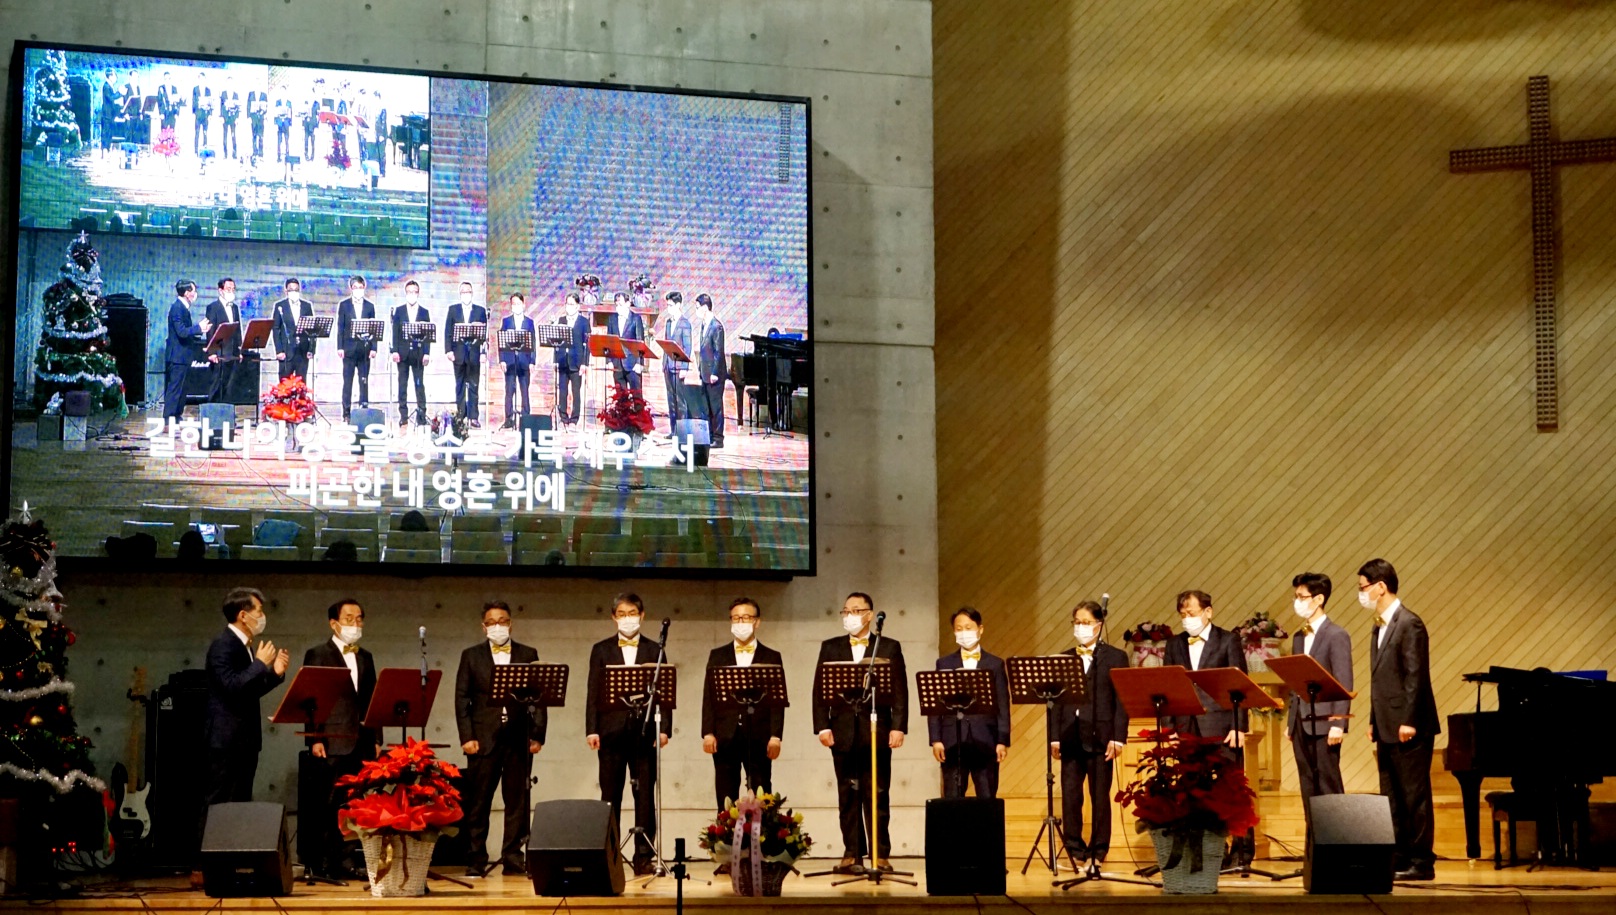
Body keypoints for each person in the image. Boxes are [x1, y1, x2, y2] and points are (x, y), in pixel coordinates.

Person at [812, 592, 908, 874]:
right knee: (848, 794)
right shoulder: (831, 647)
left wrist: (898, 726)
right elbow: (819, 691)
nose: (849, 616)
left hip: (877, 729)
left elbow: (900, 691)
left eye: (855, 610)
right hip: (841, 730)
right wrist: (823, 726)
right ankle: (852, 852)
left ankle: (881, 854)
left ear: (869, 615)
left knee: (877, 792)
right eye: (846, 611)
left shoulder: (888, 647)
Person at [1361, 558, 1439, 881]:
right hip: (1385, 724)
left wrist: (1409, 720)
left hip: (1409, 725)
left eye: (1363, 587)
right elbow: (1379, 680)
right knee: (1391, 795)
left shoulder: (1410, 623)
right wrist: (1373, 719)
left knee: (1413, 795)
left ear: (1381, 586)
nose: (1361, 593)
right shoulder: (1378, 626)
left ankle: (1422, 861)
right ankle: (1399, 855)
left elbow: (1415, 676)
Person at [454, 600, 544, 877]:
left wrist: (537, 734)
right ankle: (476, 859)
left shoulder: (528, 654)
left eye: (502, 621)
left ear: (511, 624)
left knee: (517, 801)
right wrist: (467, 736)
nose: (498, 626)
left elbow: (539, 699)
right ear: (484, 627)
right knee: (479, 802)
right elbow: (462, 698)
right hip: (483, 738)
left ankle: (513, 858)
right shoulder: (471, 656)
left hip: (519, 736)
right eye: (492, 622)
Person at [1164, 589, 1254, 866]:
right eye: (1182, 615)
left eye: (1191, 613)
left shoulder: (1228, 640)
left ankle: (1241, 853)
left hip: (1222, 727)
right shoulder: (1174, 644)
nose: (1186, 619)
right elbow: (1168, 685)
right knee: (1193, 793)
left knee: (1232, 791)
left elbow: (1240, 686)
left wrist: (1239, 726)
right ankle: (1205, 852)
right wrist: (1169, 728)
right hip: (1187, 727)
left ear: (1208, 612)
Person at [584, 593, 671, 876]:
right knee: (610, 795)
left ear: (642, 615)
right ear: (613, 617)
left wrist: (663, 728)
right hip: (610, 733)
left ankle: (643, 856)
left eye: (632, 613)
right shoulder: (601, 649)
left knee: (644, 795)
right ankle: (610, 855)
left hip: (644, 732)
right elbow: (593, 692)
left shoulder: (655, 649)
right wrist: (592, 729)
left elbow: (664, 693)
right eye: (621, 614)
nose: (627, 619)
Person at [300, 599, 377, 880]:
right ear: (333, 623)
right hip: (331, 740)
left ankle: (346, 860)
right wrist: (314, 738)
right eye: (349, 618)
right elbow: (309, 698)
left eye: (359, 618)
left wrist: (375, 737)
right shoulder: (318, 654)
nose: (355, 624)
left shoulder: (366, 656)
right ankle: (320, 861)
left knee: (353, 803)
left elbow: (371, 699)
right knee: (326, 803)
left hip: (360, 739)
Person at [1050, 600, 1128, 867]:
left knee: (1099, 797)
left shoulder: (1116, 657)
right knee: (1071, 796)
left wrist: (1118, 737)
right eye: (1077, 622)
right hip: (1070, 734)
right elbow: (1056, 702)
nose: (1080, 627)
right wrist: (1054, 736)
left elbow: (1121, 700)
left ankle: (1098, 851)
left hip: (1101, 735)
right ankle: (1074, 849)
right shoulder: (1065, 658)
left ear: (1099, 624)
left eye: (1086, 622)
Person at [202, 588, 289, 814]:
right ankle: (210, 839)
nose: (262, 616)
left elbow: (249, 691)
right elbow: (231, 686)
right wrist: (259, 664)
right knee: (219, 803)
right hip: (226, 740)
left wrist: (275, 673)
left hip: (246, 740)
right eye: (258, 611)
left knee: (240, 804)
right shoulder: (222, 644)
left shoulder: (245, 645)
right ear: (243, 615)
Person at [701, 598, 784, 813]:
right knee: (725, 794)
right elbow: (709, 696)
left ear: (757, 622)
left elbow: (777, 701)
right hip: (725, 734)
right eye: (736, 618)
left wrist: (775, 736)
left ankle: (762, 834)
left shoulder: (771, 656)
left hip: (759, 734)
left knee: (762, 792)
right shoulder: (718, 655)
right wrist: (708, 733)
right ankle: (725, 835)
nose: (741, 623)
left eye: (746, 618)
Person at [1286, 572, 1352, 810]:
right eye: (1296, 596)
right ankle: (1313, 835)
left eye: (1302, 597)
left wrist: (1339, 723)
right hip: (1300, 721)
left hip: (1326, 722)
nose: (1297, 602)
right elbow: (1296, 681)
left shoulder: (1336, 634)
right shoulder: (1298, 637)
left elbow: (1344, 681)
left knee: (1328, 784)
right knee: (1307, 784)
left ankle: (1337, 834)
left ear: (1319, 599)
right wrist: (1291, 721)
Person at [928, 606, 1009, 799]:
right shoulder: (944, 663)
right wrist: (936, 739)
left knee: (987, 796)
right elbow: (936, 705)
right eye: (959, 629)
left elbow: (1003, 705)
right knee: (952, 797)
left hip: (986, 738)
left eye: (968, 627)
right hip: (952, 739)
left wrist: (1002, 740)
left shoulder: (995, 664)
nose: (964, 633)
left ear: (980, 629)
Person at [164, 279, 211, 421]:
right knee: (175, 388)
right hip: (177, 357)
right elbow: (182, 332)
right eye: (193, 291)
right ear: (186, 293)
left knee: (183, 388)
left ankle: (177, 415)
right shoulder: (177, 308)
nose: (195, 294)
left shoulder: (184, 308)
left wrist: (199, 330)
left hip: (184, 356)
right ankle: (169, 418)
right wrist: (199, 328)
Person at [336, 276, 378, 422]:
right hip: (349, 349)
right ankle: (346, 413)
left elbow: (374, 329)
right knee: (347, 382)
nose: (358, 290)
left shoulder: (370, 306)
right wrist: (340, 347)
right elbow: (340, 327)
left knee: (364, 381)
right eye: (355, 287)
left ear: (364, 288)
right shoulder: (344, 305)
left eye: (360, 287)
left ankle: (363, 411)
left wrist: (374, 348)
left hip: (364, 350)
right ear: (351, 288)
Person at [445, 282, 487, 425]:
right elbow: (448, 332)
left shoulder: (480, 311)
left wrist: (483, 352)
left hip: (474, 354)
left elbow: (484, 335)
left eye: (468, 291)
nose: (466, 294)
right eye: (463, 292)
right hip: (458, 354)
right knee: (460, 386)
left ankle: (473, 416)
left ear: (472, 293)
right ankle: (460, 415)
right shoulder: (453, 310)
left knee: (474, 385)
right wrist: (449, 350)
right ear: (460, 294)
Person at [390, 280, 431, 427]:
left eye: (414, 291)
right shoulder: (399, 311)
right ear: (405, 293)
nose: (412, 294)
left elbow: (428, 335)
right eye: (409, 292)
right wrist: (395, 351)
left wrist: (427, 353)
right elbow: (395, 333)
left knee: (419, 385)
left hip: (418, 355)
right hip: (403, 354)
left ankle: (421, 414)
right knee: (402, 385)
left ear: (418, 293)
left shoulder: (424, 312)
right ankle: (403, 415)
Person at [689, 294, 727, 448]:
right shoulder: (704, 324)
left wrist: (715, 373)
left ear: (705, 307)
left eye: (697, 307)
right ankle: (709, 435)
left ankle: (718, 438)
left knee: (716, 407)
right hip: (705, 372)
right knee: (706, 407)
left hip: (714, 375)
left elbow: (719, 352)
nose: (696, 311)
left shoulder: (716, 327)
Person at [498, 293, 536, 429]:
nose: (516, 306)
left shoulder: (529, 322)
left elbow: (533, 343)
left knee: (524, 390)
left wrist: (532, 361)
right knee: (509, 390)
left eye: (518, 303)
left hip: (524, 361)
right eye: (513, 304)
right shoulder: (506, 321)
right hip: (510, 361)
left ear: (523, 305)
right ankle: (509, 418)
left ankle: (526, 418)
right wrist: (502, 360)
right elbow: (501, 342)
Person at [553, 292, 591, 427]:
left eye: (571, 304)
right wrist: (555, 360)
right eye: (567, 304)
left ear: (577, 306)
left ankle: (574, 419)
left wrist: (584, 364)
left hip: (577, 362)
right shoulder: (561, 320)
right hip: (563, 360)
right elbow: (556, 343)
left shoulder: (584, 322)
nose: (568, 306)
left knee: (576, 392)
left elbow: (587, 345)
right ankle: (563, 417)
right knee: (562, 391)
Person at [205, 278, 243, 403]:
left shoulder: (235, 308)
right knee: (216, 384)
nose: (231, 291)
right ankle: (212, 410)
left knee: (228, 386)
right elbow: (210, 331)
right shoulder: (213, 307)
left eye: (233, 289)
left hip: (232, 352)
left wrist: (239, 350)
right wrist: (212, 352)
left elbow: (237, 330)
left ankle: (225, 410)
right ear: (220, 291)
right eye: (228, 289)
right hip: (219, 352)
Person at [658, 292, 690, 434]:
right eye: (668, 305)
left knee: (680, 401)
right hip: (668, 366)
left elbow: (687, 347)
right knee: (671, 400)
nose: (668, 308)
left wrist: (684, 367)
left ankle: (682, 432)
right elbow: (667, 344)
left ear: (678, 305)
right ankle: (673, 431)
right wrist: (664, 363)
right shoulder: (669, 322)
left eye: (671, 305)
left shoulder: (685, 324)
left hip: (678, 367)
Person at [272, 277, 315, 380]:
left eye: (296, 290)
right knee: (285, 384)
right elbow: (275, 329)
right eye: (291, 290)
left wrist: (311, 349)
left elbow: (312, 330)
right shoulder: (280, 306)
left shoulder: (307, 306)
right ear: (286, 291)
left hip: (302, 351)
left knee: (301, 383)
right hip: (286, 352)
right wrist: (279, 350)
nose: (294, 292)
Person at [605, 292, 645, 392]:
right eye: (617, 305)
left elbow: (640, 341)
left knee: (636, 394)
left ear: (628, 304)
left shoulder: (635, 318)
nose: (618, 307)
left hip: (632, 362)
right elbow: (609, 340)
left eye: (621, 304)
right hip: (617, 362)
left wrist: (639, 363)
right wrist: (609, 361)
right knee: (620, 395)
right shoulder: (612, 319)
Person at [191, 73, 214, 153]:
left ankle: (204, 150)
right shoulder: (195, 89)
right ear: (198, 79)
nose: (202, 80)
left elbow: (210, 103)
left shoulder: (208, 90)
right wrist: (193, 112)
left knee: (205, 133)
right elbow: (193, 101)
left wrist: (210, 114)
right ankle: (196, 151)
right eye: (200, 79)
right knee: (197, 133)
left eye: (203, 79)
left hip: (205, 115)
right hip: (198, 114)